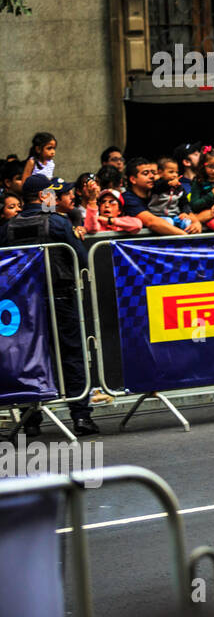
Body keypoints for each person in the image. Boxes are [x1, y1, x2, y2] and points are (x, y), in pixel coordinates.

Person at [0, 175, 96, 435]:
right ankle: (80, 417)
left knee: (28, 357)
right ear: (43, 197)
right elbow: (82, 258)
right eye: (52, 194)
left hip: (22, 306)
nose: (55, 198)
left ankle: (30, 418)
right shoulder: (57, 222)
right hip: (60, 297)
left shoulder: (7, 228)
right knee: (71, 354)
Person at [121, 158, 197, 235]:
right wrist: (186, 236)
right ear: (133, 179)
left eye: (153, 172)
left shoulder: (157, 191)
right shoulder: (128, 198)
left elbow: (184, 205)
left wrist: (195, 222)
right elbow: (152, 222)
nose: (152, 176)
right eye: (145, 173)